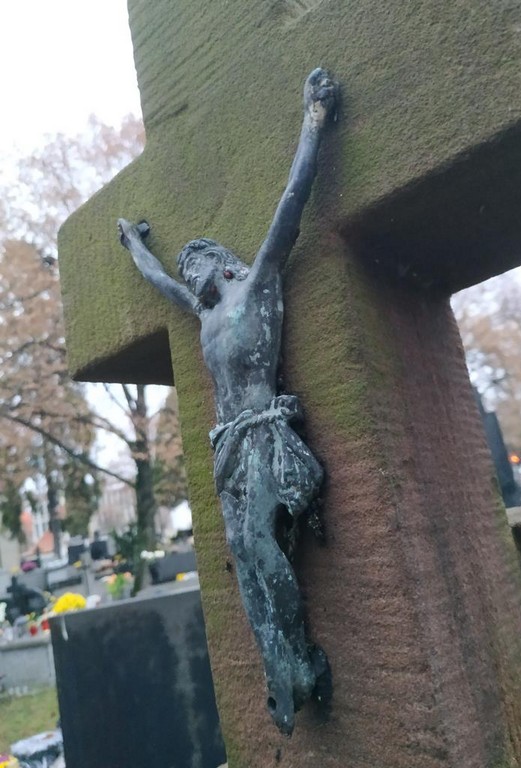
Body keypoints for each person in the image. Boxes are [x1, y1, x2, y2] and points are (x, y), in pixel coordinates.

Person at [118, 68, 337, 735]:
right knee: (242, 550)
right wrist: (135, 246)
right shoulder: (206, 318)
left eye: (198, 264)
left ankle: (299, 655)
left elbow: (291, 205)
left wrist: (314, 119)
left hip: (266, 432)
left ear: (227, 264)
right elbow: (160, 283)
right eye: (187, 269)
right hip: (230, 447)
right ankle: (279, 672)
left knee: (263, 542)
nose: (190, 274)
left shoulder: (258, 284)